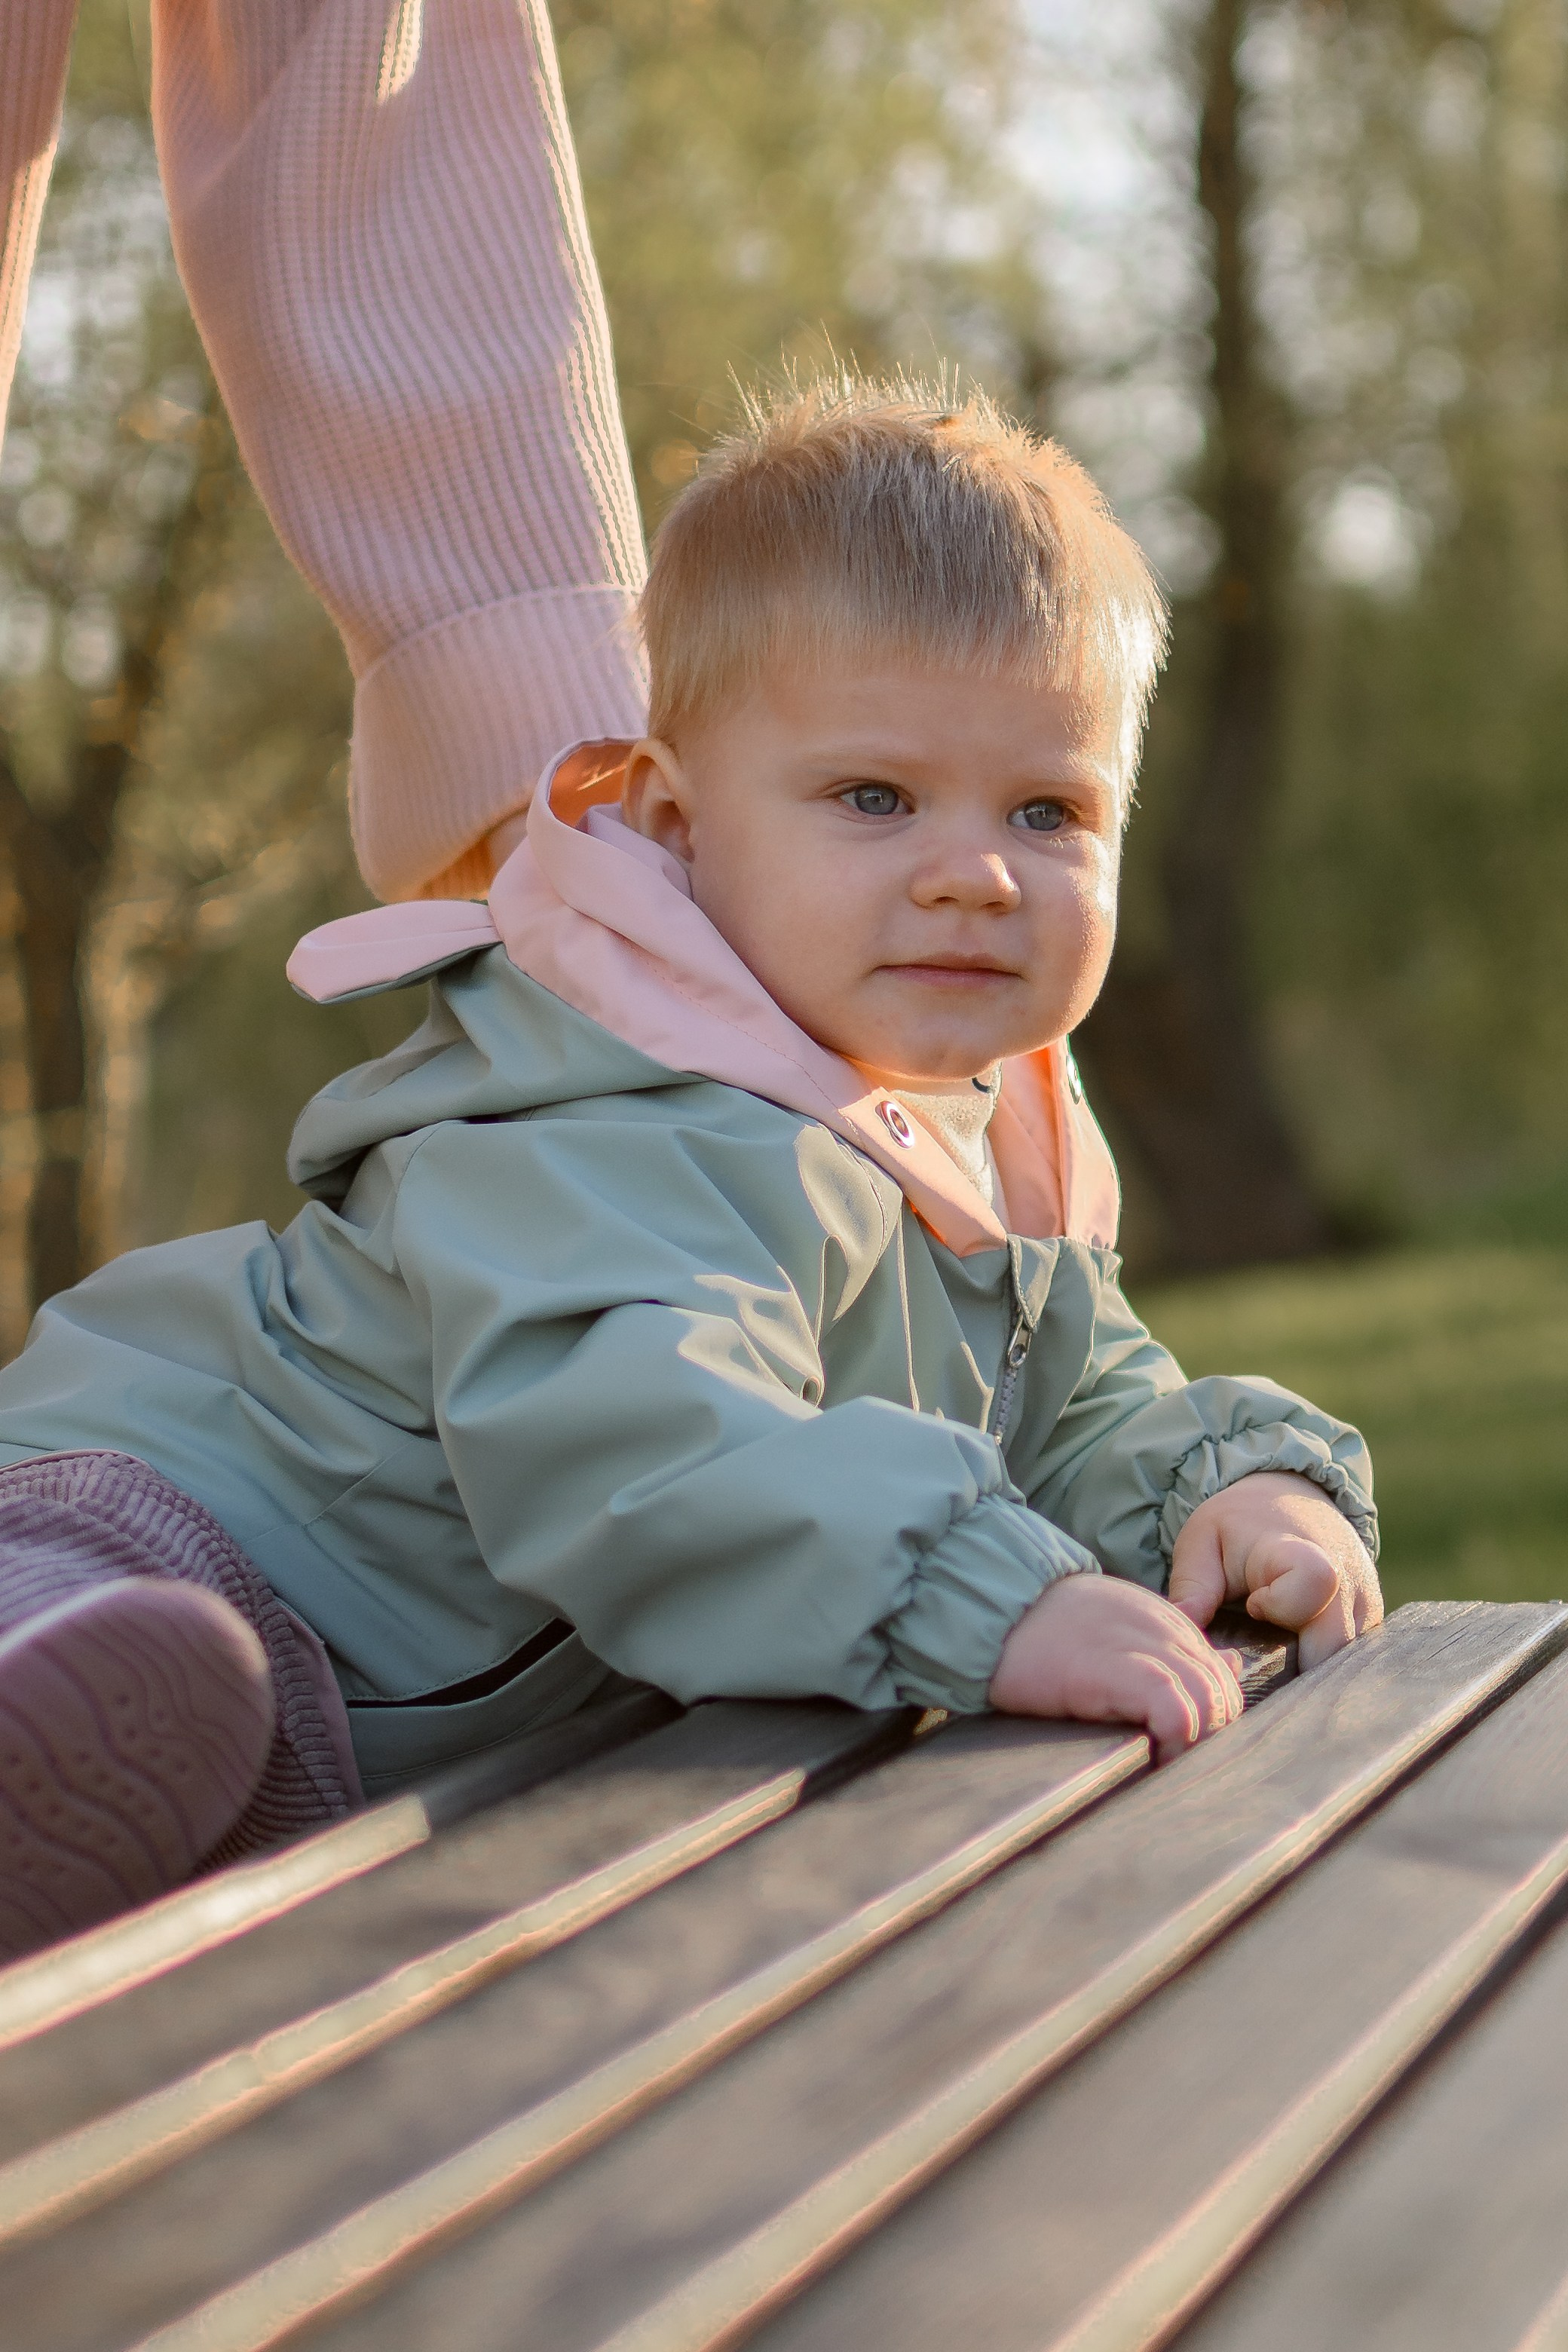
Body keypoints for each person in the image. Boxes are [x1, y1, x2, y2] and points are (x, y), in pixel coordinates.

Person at [0, 9, 1380, 1960]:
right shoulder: (617, 1100)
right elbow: (643, 1445)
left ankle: (132, 1797)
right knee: (128, 1613)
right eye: (874, 797)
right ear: (670, 816)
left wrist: (1227, 1499)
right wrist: (981, 1598)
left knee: (220, 1751)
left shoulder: (965, 1139)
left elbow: (1076, 1406)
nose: (976, 869)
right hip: (188, 1509)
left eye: (1051, 811)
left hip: (356, 1706)